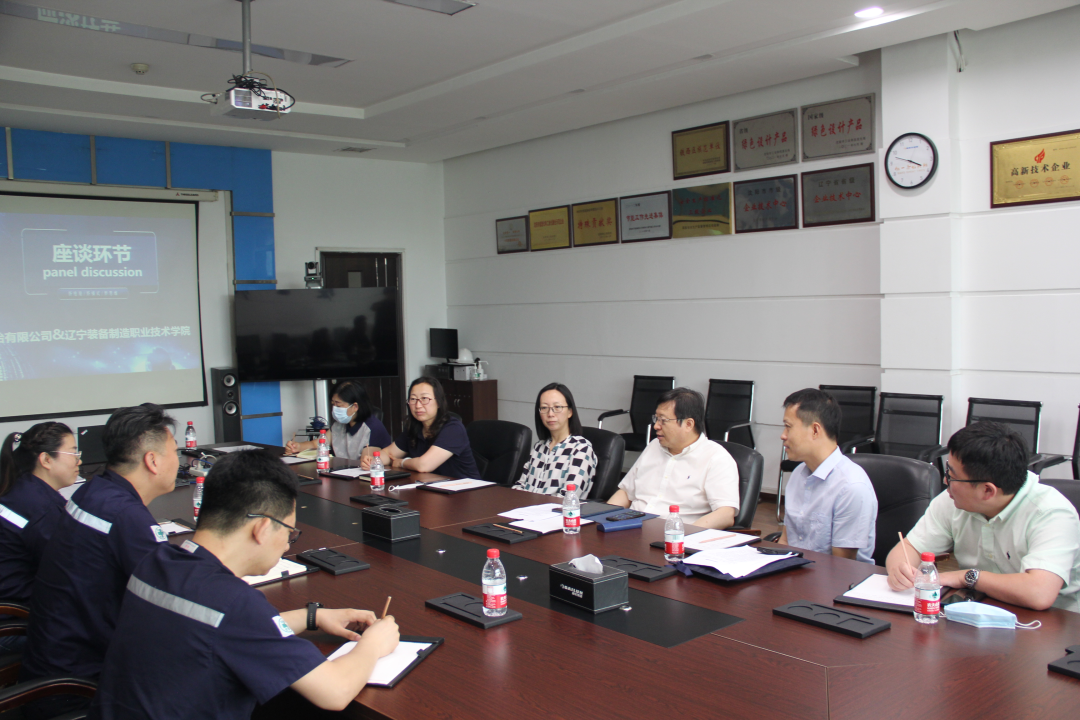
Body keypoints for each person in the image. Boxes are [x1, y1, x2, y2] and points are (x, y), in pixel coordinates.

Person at [87, 450, 400, 719]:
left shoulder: (158, 560)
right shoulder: (233, 603)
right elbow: (335, 691)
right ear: (262, 528)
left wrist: (311, 616)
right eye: (289, 533)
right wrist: (373, 644)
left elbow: (221, 629)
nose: (287, 545)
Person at [21, 403, 180, 693]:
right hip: (78, 684)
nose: (178, 461)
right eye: (175, 452)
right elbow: (176, 602)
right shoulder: (126, 516)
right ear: (152, 461)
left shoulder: (92, 491)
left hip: (50, 660)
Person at [886, 421, 1080, 612]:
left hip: (1051, 621)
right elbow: (909, 547)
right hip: (976, 609)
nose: (945, 481)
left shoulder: (1051, 513)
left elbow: (1039, 593)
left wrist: (966, 577)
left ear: (987, 491)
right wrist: (900, 570)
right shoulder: (953, 500)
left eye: (952, 476)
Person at [607, 387, 739, 528]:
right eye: (656, 419)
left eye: (663, 420)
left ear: (688, 424)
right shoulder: (654, 446)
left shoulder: (716, 458)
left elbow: (725, 514)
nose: (656, 426)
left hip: (673, 534)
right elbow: (626, 493)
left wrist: (684, 536)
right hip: (630, 528)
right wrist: (603, 517)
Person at [0, 422, 81, 652]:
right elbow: (68, 572)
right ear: (46, 460)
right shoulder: (41, 509)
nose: (79, 461)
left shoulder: (20, 489)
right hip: (13, 625)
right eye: (73, 453)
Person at [776, 388, 877, 562]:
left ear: (815, 430)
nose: (783, 435)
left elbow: (841, 566)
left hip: (834, 575)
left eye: (788, 427)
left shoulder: (851, 487)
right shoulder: (799, 473)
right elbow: (786, 540)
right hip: (796, 569)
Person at [360, 376, 480, 478]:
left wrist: (402, 463)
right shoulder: (414, 427)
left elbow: (424, 465)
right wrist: (373, 461)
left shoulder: (453, 428)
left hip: (466, 492)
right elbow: (388, 453)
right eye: (413, 399)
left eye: (424, 399)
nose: (418, 405)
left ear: (439, 402)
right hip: (432, 488)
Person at [513, 383, 597, 497]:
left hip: (556, 508)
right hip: (525, 506)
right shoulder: (539, 447)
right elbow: (521, 485)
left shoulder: (581, 449)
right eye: (544, 408)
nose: (550, 414)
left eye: (557, 407)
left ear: (570, 412)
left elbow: (569, 496)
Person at [285, 381, 391, 461]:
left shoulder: (373, 428)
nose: (334, 409)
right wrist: (298, 447)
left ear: (355, 406)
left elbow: (366, 464)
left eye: (338, 405)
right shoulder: (339, 424)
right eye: (333, 404)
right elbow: (317, 444)